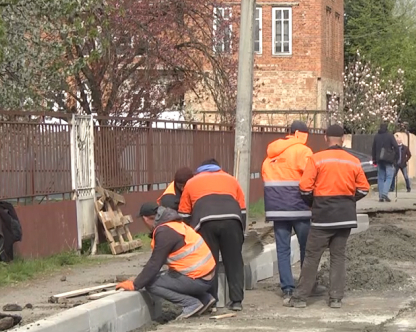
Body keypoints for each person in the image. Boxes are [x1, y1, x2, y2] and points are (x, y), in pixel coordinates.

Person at [285, 124, 370, 309]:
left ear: (325, 138)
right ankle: (336, 298)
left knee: (312, 256)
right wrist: (348, 200)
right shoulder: (353, 161)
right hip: (345, 216)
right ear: (343, 140)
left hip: (323, 215)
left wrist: (313, 203)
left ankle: (299, 298)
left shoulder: (317, 159)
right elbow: (364, 188)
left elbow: (305, 187)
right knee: (338, 256)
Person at [115, 202, 217, 319]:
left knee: (152, 284)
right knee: (163, 275)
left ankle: (191, 303)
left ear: (146, 219)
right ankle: (205, 298)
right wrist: (140, 278)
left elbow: (154, 264)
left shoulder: (164, 232)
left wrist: (135, 284)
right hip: (206, 277)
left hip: (198, 279)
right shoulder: (174, 225)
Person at [261, 120, 326, 303]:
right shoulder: (302, 151)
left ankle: (287, 288)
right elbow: (311, 176)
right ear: (299, 133)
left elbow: (267, 179)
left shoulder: (270, 155)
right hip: (299, 208)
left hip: (277, 210)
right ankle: (309, 285)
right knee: (308, 248)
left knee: (283, 250)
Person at [178, 158, 246, 312]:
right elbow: (242, 210)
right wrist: (241, 233)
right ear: (218, 168)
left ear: (200, 169)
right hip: (232, 221)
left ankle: (212, 301)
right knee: (234, 261)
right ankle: (236, 301)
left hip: (205, 222)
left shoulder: (192, 182)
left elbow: (184, 213)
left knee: (210, 262)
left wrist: (190, 236)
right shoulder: (231, 179)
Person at [372, 123, 398, 202]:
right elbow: (396, 146)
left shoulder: (376, 136)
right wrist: (394, 156)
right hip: (388, 159)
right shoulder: (390, 135)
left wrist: (374, 159)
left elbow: (373, 148)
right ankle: (384, 193)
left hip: (379, 159)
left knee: (380, 177)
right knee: (389, 176)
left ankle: (381, 196)